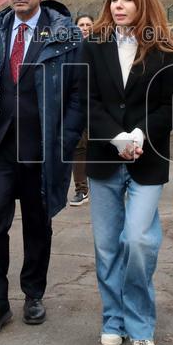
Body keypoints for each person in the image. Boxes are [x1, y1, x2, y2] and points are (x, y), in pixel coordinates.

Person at [0, 0, 85, 338]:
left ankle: (33, 293)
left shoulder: (66, 35)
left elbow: (79, 94)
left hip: (42, 147)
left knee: (37, 223)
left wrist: (64, 139)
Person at [83, 0, 173, 345]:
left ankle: (141, 326)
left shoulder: (166, 50)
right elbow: (86, 99)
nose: (119, 5)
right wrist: (115, 137)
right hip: (105, 158)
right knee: (108, 247)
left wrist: (139, 133)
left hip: (148, 158)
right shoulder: (93, 47)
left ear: (143, 3)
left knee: (139, 241)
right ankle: (113, 319)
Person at [70, 13, 95, 206]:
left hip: (99, 106)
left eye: (88, 24)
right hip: (77, 105)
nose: (84, 27)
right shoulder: (69, 49)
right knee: (78, 147)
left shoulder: (102, 48)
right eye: (81, 24)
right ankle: (81, 189)